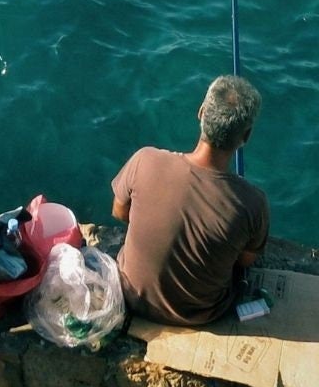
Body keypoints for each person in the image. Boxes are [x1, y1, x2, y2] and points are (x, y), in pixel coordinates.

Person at [111, 75, 269, 327]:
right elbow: (245, 260)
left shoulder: (145, 160)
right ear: (246, 136)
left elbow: (119, 212)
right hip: (199, 315)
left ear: (201, 113)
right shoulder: (254, 203)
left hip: (131, 297)